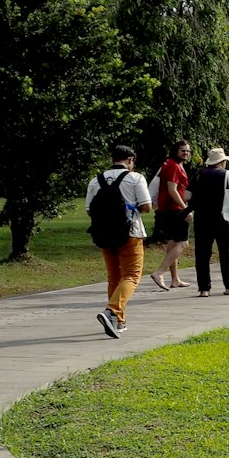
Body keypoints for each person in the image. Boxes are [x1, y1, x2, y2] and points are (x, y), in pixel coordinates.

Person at [86, 143, 152, 337]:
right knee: (131, 276)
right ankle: (112, 310)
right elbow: (147, 206)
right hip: (130, 233)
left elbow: (89, 209)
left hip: (104, 234)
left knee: (114, 276)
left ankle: (118, 321)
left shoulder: (95, 180)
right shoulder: (135, 178)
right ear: (130, 160)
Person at [191, 147, 229, 297]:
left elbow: (187, 195)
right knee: (226, 253)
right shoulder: (228, 175)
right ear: (222, 162)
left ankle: (204, 288)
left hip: (202, 220)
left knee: (202, 254)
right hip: (223, 219)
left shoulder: (199, 175)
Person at [148, 139, 193, 290]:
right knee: (183, 243)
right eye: (183, 150)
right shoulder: (174, 166)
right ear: (176, 151)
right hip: (175, 210)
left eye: (187, 150)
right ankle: (159, 273)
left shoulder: (169, 164)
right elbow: (172, 190)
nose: (186, 153)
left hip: (165, 210)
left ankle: (175, 279)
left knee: (172, 244)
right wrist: (185, 208)